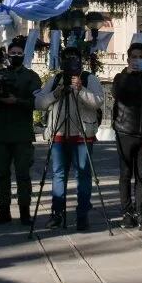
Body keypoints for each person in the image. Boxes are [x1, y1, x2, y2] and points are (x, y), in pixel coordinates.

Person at [35, 46, 103, 231]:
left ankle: (82, 216)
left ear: (81, 61)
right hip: (58, 134)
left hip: (82, 135)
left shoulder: (89, 78)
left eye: (75, 58)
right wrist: (56, 93)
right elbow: (39, 103)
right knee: (58, 174)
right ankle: (57, 214)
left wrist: (80, 90)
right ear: (62, 61)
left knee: (83, 176)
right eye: (67, 58)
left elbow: (98, 101)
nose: (71, 62)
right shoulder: (55, 79)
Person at [0, 37, 41, 227]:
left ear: (23, 55)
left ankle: (25, 212)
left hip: (22, 134)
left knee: (23, 174)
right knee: (1, 174)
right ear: (8, 55)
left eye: (19, 53)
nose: (16, 56)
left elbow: (37, 102)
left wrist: (16, 101)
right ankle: (4, 211)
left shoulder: (31, 77)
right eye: (13, 53)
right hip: (1, 132)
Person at [111, 42, 142, 228]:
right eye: (134, 57)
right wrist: (128, 74)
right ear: (128, 59)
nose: (137, 60)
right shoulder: (120, 77)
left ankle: (140, 211)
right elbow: (117, 93)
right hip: (125, 131)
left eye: (141, 57)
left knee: (141, 175)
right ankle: (126, 212)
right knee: (125, 174)